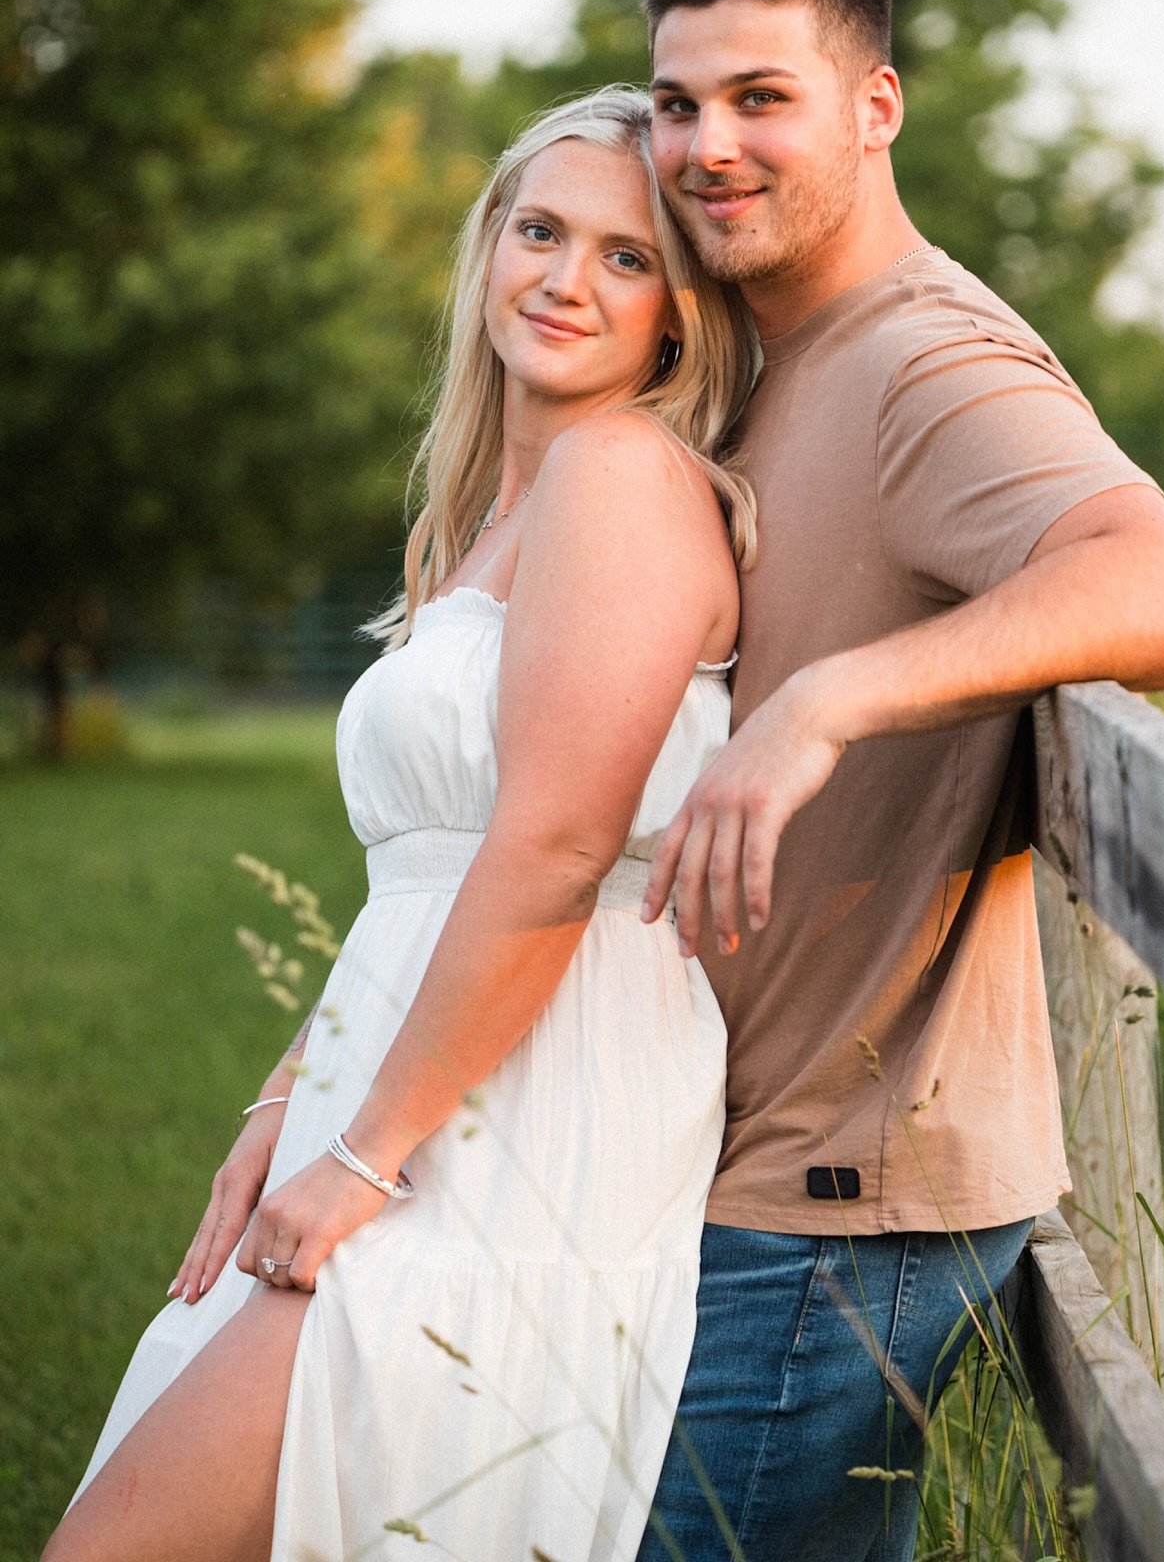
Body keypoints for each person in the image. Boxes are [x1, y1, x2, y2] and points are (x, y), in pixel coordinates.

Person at [47, 88, 759, 1562]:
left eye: (627, 258)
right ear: (486, 246)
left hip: (517, 1111)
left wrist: (365, 1157)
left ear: (684, 315)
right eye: (539, 230)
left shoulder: (623, 479)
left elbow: (555, 852)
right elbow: (422, 878)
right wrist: (280, 1104)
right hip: (400, 1078)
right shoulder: (490, 515)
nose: (565, 279)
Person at [632, 0, 1164, 1561]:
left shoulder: (927, 359)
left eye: (764, 97)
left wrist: (831, 699)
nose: (709, 145)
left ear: (875, 104)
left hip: (834, 1200)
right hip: (753, 1166)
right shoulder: (783, 353)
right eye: (678, 105)